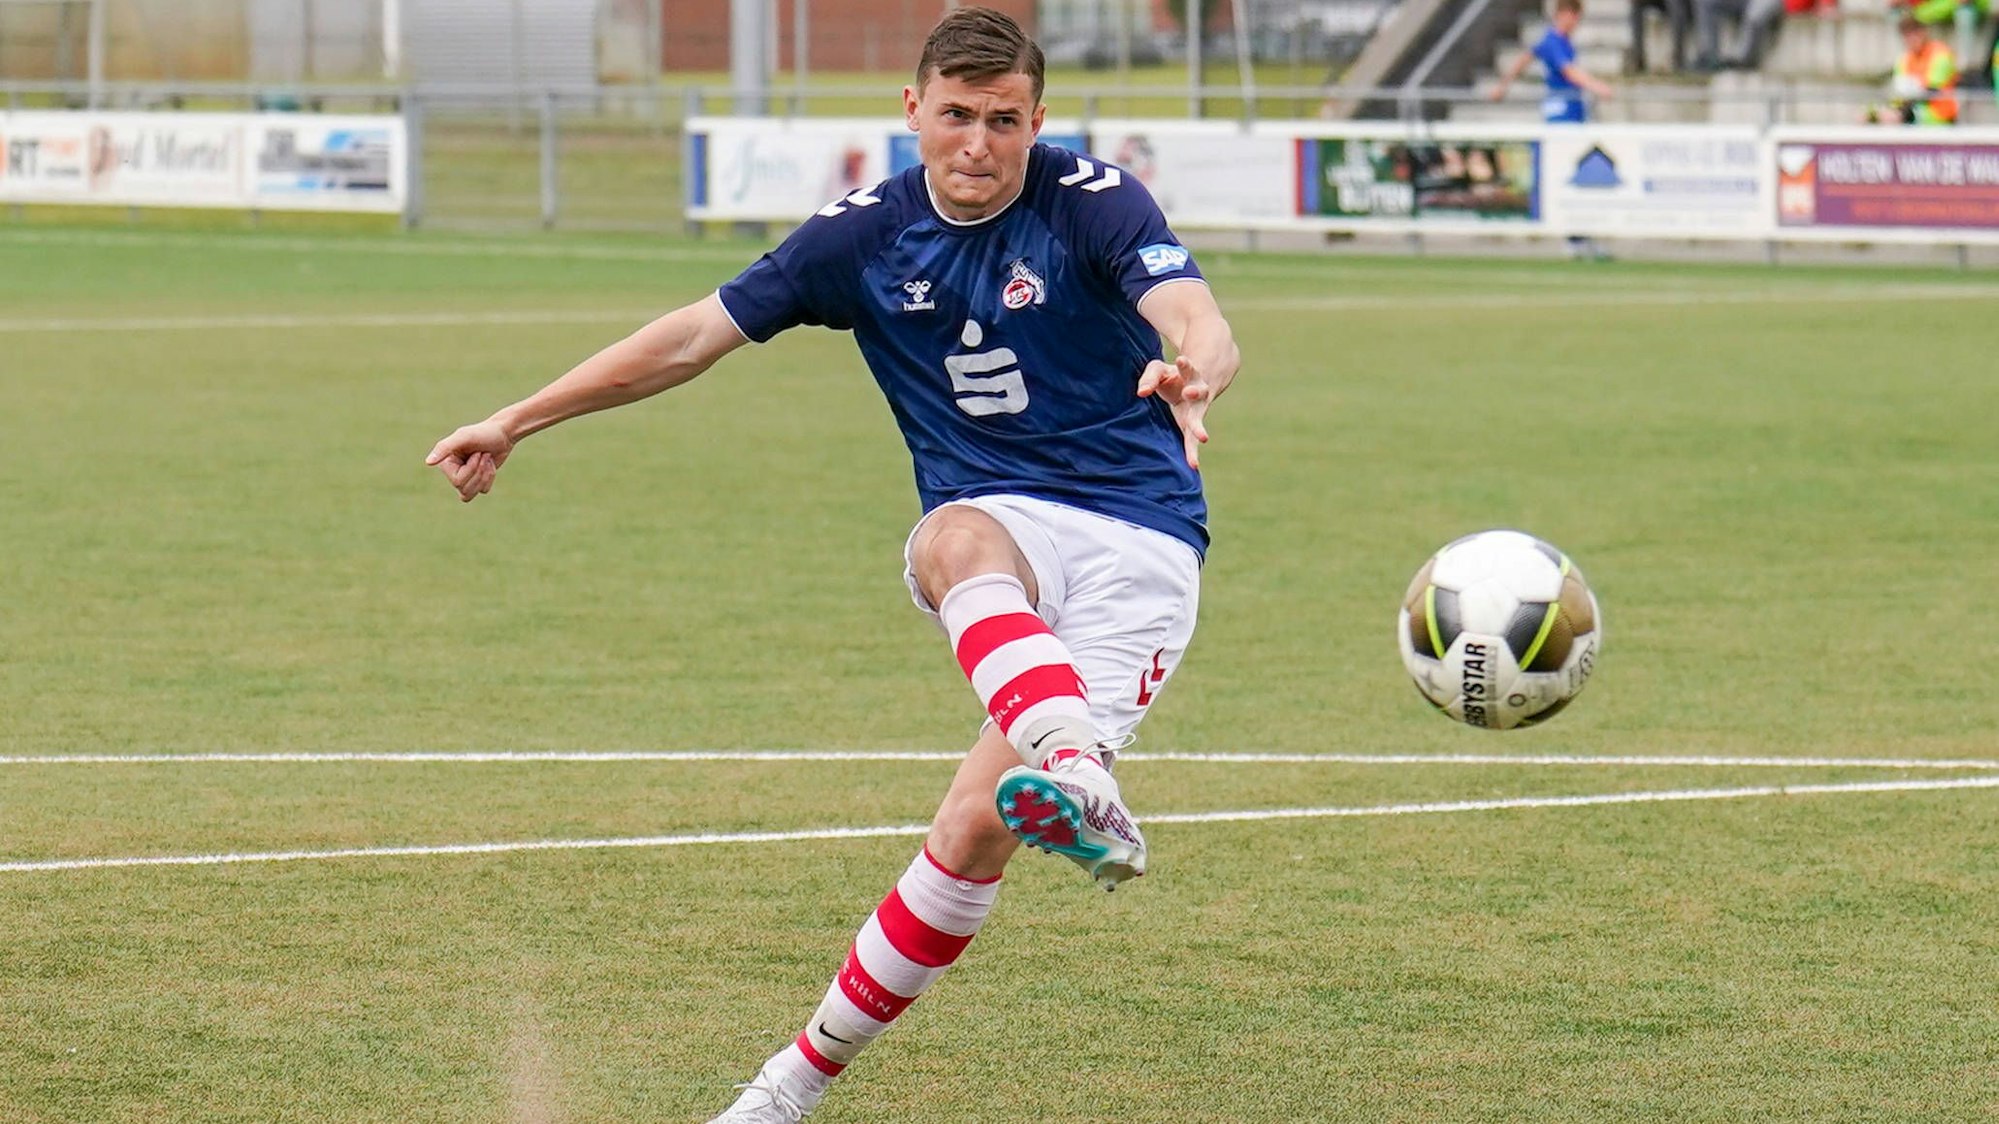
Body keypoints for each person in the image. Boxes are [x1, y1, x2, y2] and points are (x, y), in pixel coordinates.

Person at [424, 9, 1239, 1122]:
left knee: (968, 829)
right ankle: (779, 1094)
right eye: (955, 115)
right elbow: (685, 339)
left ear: (1036, 122)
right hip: (1001, 526)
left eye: (1004, 122)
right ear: (912, 111)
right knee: (950, 536)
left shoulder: (1094, 200)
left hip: (1139, 541)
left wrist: (1195, 363)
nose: (976, 143)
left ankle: (1077, 775)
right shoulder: (860, 237)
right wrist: (518, 416)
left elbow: (1192, 310)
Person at [1491, 0, 1616, 259]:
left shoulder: (1553, 41)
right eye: (1574, 17)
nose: (1576, 23)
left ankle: (1579, 236)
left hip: (1570, 114)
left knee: (1575, 177)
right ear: (1563, 15)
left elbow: (1524, 58)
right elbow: (1569, 72)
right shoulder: (1555, 41)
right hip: (1562, 117)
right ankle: (1574, 238)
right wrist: (1597, 87)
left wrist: (1503, 85)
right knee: (1571, 176)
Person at [1870, 14, 1959, 124]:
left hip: (1939, 114)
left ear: (1924, 32)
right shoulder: (1905, 59)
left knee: (1894, 118)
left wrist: (1903, 108)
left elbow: (1932, 90)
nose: (1911, 39)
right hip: (1913, 107)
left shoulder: (1941, 54)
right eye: (1907, 35)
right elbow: (1900, 89)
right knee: (1871, 115)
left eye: (1915, 34)